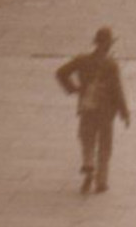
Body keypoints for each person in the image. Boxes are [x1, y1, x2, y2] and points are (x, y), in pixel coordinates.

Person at [55, 27, 131, 194]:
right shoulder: (111, 64)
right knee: (105, 144)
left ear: (96, 43)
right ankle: (101, 181)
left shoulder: (82, 60)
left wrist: (73, 89)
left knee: (87, 137)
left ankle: (88, 163)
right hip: (105, 111)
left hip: (87, 106)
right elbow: (117, 91)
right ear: (108, 44)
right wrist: (124, 112)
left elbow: (61, 73)